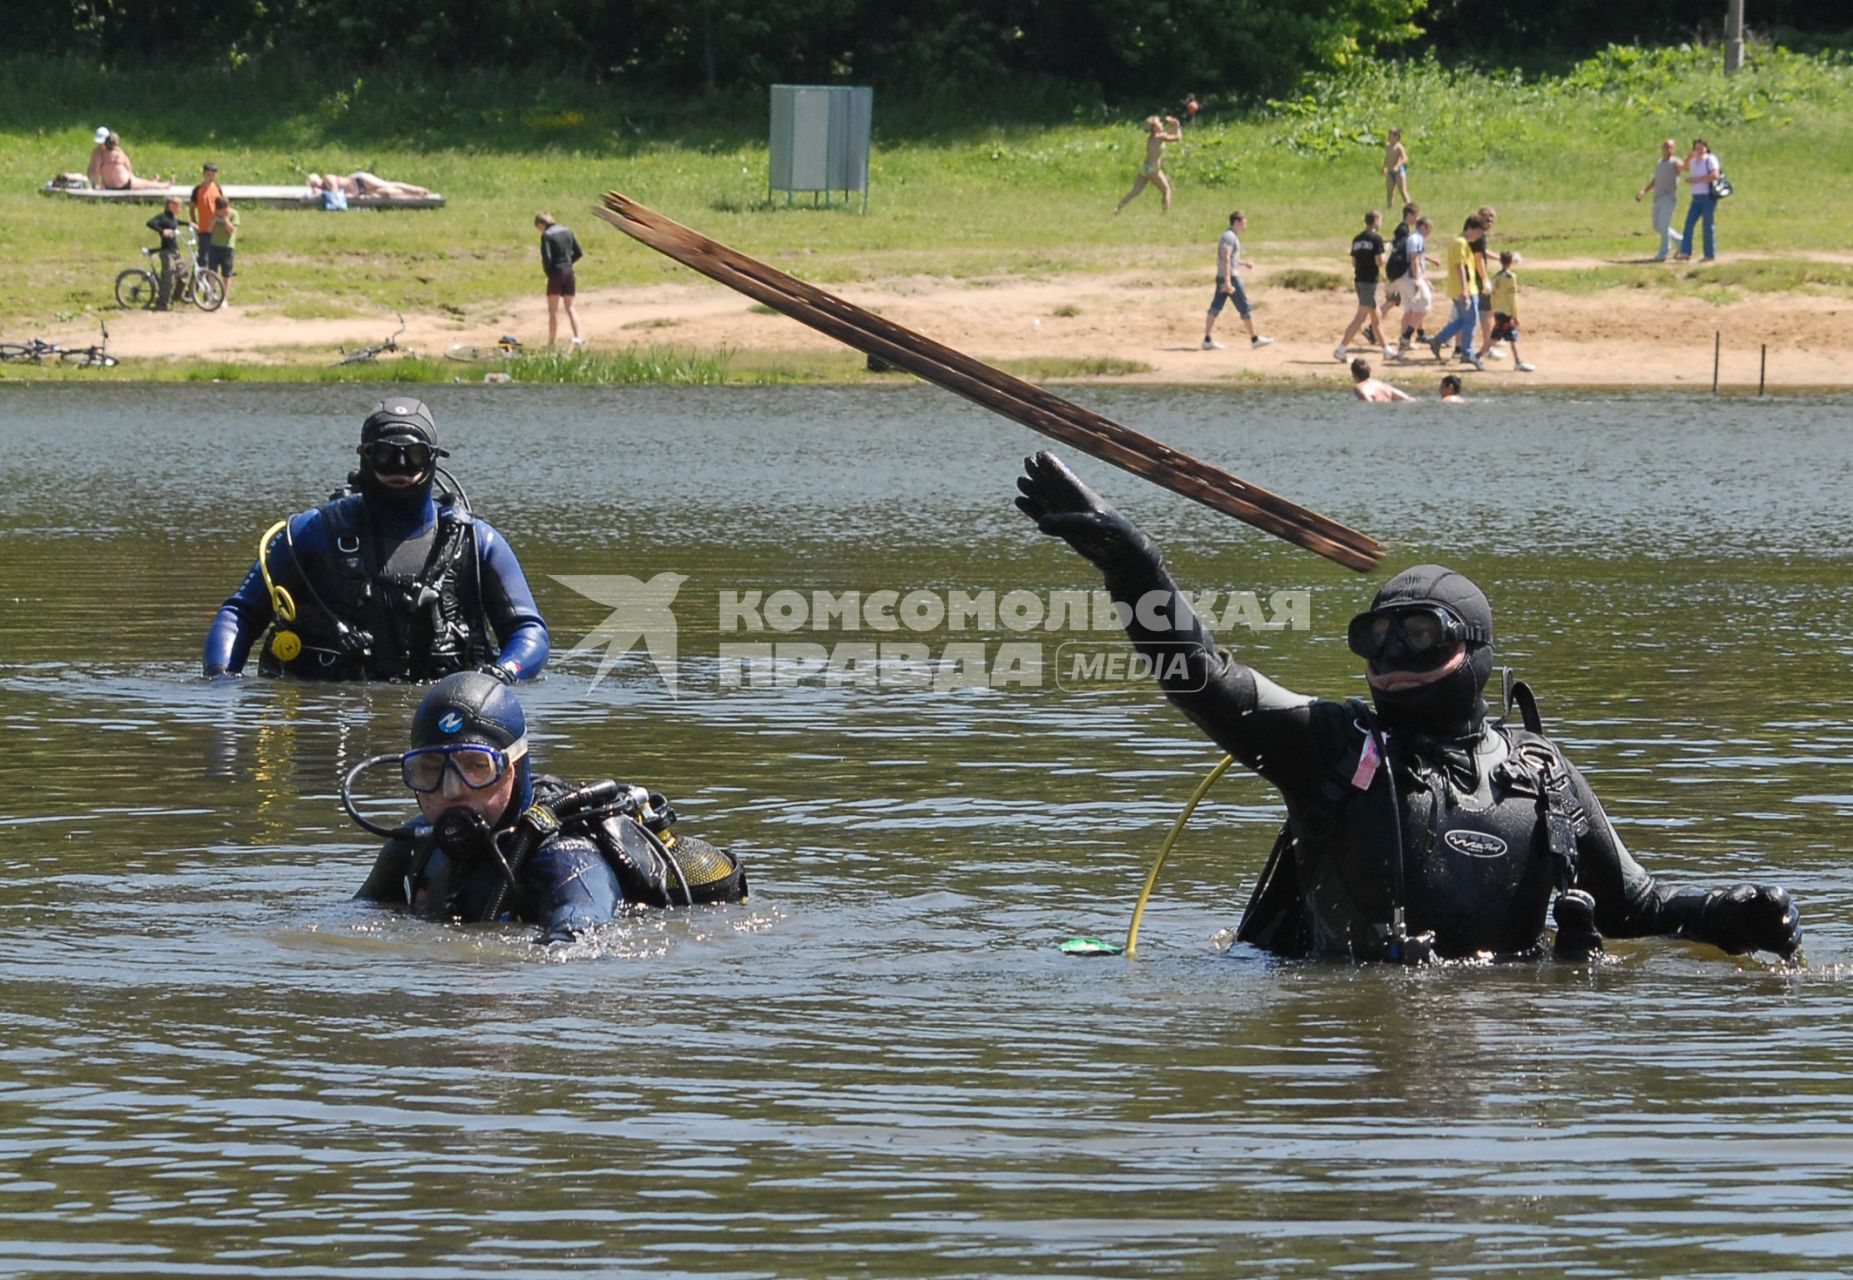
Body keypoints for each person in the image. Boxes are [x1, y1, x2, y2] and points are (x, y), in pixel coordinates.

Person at [1014, 452, 1804, 964]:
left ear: (1474, 652)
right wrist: (1133, 570)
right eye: (1375, 638)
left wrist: (1726, 912)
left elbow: (1632, 906)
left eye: (1418, 637)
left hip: (1496, 1050)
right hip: (1350, 1041)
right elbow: (1203, 677)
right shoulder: (1332, 751)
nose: (1390, 661)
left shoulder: (1539, 776)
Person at [354, 672, 749, 944]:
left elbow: (579, 939)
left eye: (477, 767)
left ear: (515, 768)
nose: (452, 790)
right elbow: (353, 920)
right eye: (430, 771)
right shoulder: (415, 845)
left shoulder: (563, 857)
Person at [203, 398, 549, 683]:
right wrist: (220, 681)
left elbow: (528, 630)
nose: (399, 467)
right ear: (365, 458)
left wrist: (503, 674)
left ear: (432, 458)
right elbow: (240, 613)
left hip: (443, 717)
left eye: (412, 455)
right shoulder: (311, 533)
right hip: (325, 719)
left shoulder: (475, 541)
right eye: (385, 455)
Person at [1203, 211, 1273, 351]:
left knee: (1215, 307)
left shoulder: (1230, 235)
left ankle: (1207, 340)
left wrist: (1243, 263)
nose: (1245, 225)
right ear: (1236, 222)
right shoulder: (1229, 236)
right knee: (1244, 307)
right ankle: (1254, 339)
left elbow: (1230, 259)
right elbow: (1226, 257)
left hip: (1224, 275)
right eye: (1244, 222)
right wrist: (1228, 281)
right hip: (1231, 277)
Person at [1427, 214, 1486, 372]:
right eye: (1479, 232)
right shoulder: (1460, 243)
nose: (1479, 237)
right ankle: (1467, 353)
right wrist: (1465, 290)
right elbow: (1460, 266)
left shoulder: (1461, 242)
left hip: (1462, 288)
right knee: (1471, 321)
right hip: (1464, 289)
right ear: (1472, 228)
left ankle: (1437, 341)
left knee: (1463, 321)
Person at [1334, 211, 1390, 363]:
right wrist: (1387, 250)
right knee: (1361, 317)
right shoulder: (1377, 239)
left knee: (1376, 316)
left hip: (1359, 280)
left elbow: (1353, 261)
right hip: (1370, 282)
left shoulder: (1357, 239)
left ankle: (1386, 349)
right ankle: (1341, 349)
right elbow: (1380, 261)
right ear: (1376, 221)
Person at [535, 212, 585, 347]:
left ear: (541, 224)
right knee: (570, 307)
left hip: (556, 273)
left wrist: (549, 273)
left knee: (553, 310)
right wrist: (568, 263)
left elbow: (547, 258)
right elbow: (579, 252)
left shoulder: (547, 235)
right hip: (569, 272)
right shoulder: (567, 231)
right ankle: (578, 338)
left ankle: (551, 342)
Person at [1115, 115, 1182, 214]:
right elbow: (1177, 138)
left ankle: (1119, 207)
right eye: (1160, 122)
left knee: (1135, 191)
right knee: (1167, 190)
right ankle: (1166, 214)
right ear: (1155, 127)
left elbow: (1167, 134)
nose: (1162, 124)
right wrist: (1178, 126)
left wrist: (1174, 125)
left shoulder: (1152, 137)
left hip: (1145, 167)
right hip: (1153, 169)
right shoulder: (1160, 137)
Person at [1636, 138, 1685, 263]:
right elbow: (1655, 180)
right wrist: (1644, 191)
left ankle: (1663, 253)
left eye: (1670, 147)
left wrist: (1686, 162)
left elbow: (1682, 167)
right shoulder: (1659, 163)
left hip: (1668, 198)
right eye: (1665, 147)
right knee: (1657, 226)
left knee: (1664, 226)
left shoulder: (1675, 163)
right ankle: (1682, 242)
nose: (1668, 150)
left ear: (1674, 149)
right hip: (1658, 197)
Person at [1394, 215, 1437, 356]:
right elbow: (1414, 259)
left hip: (1401, 277)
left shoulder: (1411, 237)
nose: (1429, 234)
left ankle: (1401, 349)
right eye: (1429, 231)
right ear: (1424, 227)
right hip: (1409, 278)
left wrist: (1424, 279)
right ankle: (1406, 337)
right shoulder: (1416, 238)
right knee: (1425, 305)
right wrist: (1419, 279)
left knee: (1410, 310)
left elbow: (1418, 261)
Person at [1488, 251, 1537, 373]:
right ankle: (1517, 362)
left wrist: (1494, 308)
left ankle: (1478, 355)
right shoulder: (1510, 277)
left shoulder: (1496, 277)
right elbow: (1512, 298)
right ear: (1510, 262)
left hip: (1498, 310)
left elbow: (1493, 295)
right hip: (1506, 312)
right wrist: (1515, 315)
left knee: (1500, 336)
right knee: (1509, 337)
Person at [1677, 138, 1722, 263]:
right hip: (1696, 197)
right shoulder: (1693, 161)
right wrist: (1687, 158)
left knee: (1707, 225)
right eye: (1697, 148)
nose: (1699, 151)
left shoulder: (1710, 159)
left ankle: (1709, 254)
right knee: (1689, 223)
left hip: (1708, 196)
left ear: (1706, 148)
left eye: (1701, 148)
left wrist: (1696, 180)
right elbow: (1682, 168)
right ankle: (1686, 252)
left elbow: (1715, 175)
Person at [86, 129, 169, 192]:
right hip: (123, 184)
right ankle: (162, 185)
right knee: (144, 184)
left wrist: (93, 183)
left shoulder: (98, 153)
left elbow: (95, 172)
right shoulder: (118, 152)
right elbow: (128, 167)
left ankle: (153, 182)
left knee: (143, 183)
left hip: (109, 185)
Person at [145, 196, 183, 311]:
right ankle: (161, 303)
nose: (180, 209)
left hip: (175, 250)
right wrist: (162, 231)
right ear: (171, 206)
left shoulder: (172, 218)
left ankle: (174, 298)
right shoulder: (163, 217)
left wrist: (189, 224)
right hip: (167, 251)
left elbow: (176, 223)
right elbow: (150, 223)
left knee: (183, 275)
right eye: (178, 206)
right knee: (169, 278)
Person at [308, 171, 435, 200]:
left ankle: (417, 190)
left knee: (388, 184)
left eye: (316, 184)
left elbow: (335, 194)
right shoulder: (323, 189)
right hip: (360, 192)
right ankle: (415, 196)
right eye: (314, 186)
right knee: (387, 192)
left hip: (360, 181)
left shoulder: (328, 179)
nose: (316, 187)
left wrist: (322, 194)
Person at [189, 163, 223, 269]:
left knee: (216, 254)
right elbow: (191, 208)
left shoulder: (217, 189)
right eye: (208, 174)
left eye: (213, 174)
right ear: (203, 174)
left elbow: (222, 206)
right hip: (203, 228)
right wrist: (195, 222)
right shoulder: (198, 190)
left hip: (216, 227)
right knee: (203, 256)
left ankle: (212, 278)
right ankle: (200, 280)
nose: (211, 177)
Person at [207, 195, 240, 303]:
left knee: (226, 274)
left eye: (222, 210)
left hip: (227, 247)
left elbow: (231, 230)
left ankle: (224, 298)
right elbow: (209, 229)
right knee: (212, 272)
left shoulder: (233, 214)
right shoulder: (214, 214)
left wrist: (225, 219)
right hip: (214, 246)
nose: (220, 212)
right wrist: (215, 218)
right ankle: (210, 295)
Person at [1382, 128, 1410, 208]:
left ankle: (1409, 206)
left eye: (1390, 136)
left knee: (1402, 191)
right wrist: (1384, 166)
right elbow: (1387, 157)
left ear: (1396, 137)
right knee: (1389, 191)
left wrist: (1397, 166)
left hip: (1399, 172)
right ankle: (1389, 207)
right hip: (1390, 171)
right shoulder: (1388, 146)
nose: (1388, 137)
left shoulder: (1399, 147)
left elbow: (1404, 158)